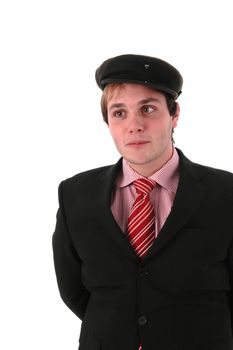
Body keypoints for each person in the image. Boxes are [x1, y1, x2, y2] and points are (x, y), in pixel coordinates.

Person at [52, 54, 233, 350]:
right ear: (108, 122)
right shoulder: (75, 194)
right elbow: (74, 291)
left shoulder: (226, 194)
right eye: (119, 113)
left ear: (174, 115)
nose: (134, 125)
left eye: (147, 109)